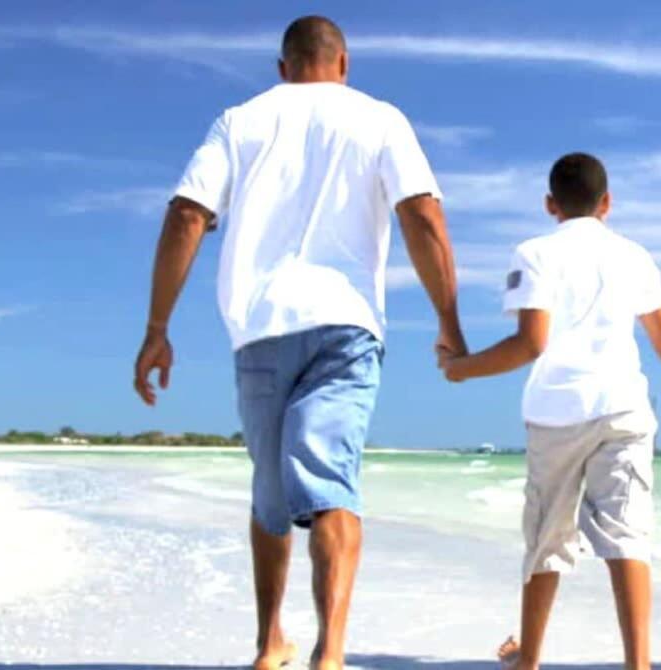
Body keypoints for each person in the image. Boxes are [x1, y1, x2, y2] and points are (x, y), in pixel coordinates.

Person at [131, 16, 464, 670]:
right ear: (343, 62)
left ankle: (267, 644)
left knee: (271, 493)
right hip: (345, 322)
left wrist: (156, 330)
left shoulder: (239, 119)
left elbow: (186, 214)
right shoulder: (380, 118)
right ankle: (330, 653)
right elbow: (421, 213)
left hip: (257, 327)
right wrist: (449, 323)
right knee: (331, 482)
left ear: (283, 67)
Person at [440, 152, 661, 670]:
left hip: (557, 413)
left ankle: (529, 659)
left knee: (548, 535)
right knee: (628, 535)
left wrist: (462, 368)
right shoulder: (634, 256)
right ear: (607, 202)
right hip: (624, 409)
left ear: (550, 204)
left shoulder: (534, 252)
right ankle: (638, 662)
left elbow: (530, 344)